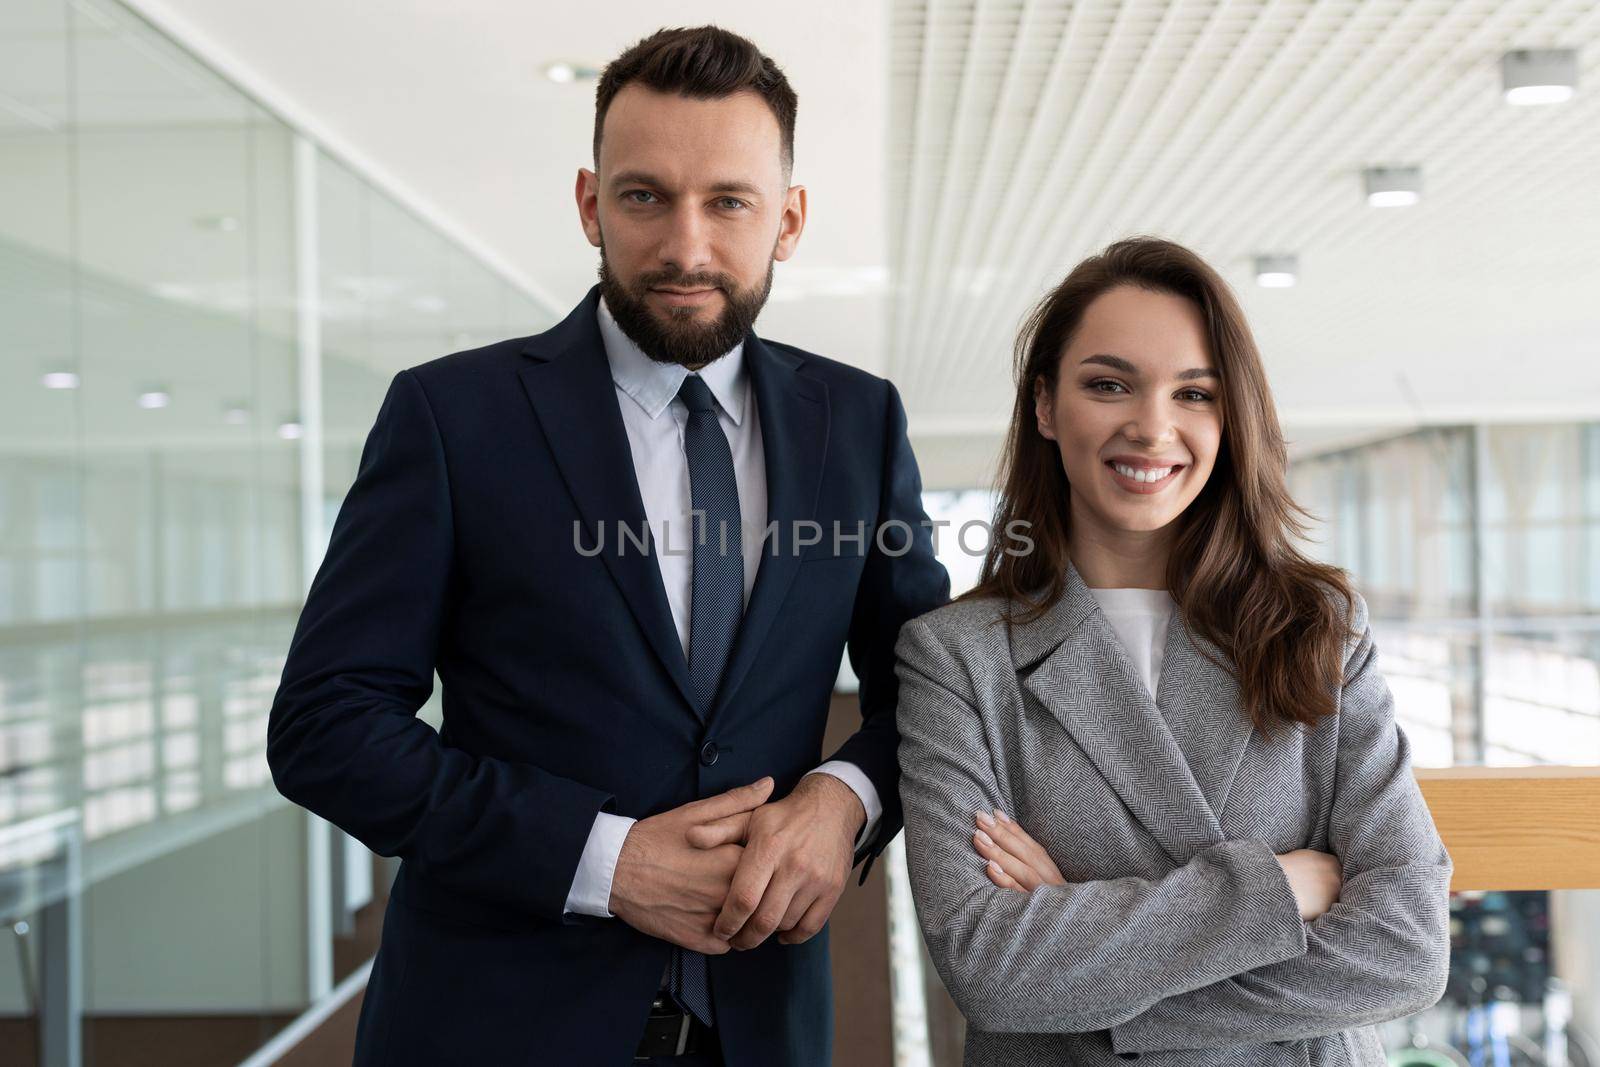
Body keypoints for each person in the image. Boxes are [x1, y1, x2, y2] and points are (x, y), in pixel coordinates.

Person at [268, 25, 948, 1067]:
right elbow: (326, 723)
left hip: (761, 1019)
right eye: (644, 197)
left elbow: (931, 689)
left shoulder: (854, 423)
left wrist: (842, 798)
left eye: (729, 202)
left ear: (789, 219)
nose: (685, 247)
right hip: (492, 1022)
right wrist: (605, 858)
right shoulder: (454, 417)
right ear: (590, 204)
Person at [894, 237, 1452, 1066]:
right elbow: (990, 967)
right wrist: (1279, 889)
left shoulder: (1322, 627)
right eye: (1109, 384)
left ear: (1231, 420)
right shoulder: (954, 657)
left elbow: (1407, 945)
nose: (1152, 427)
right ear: (1046, 406)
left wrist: (1084, 948)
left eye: (1194, 392)